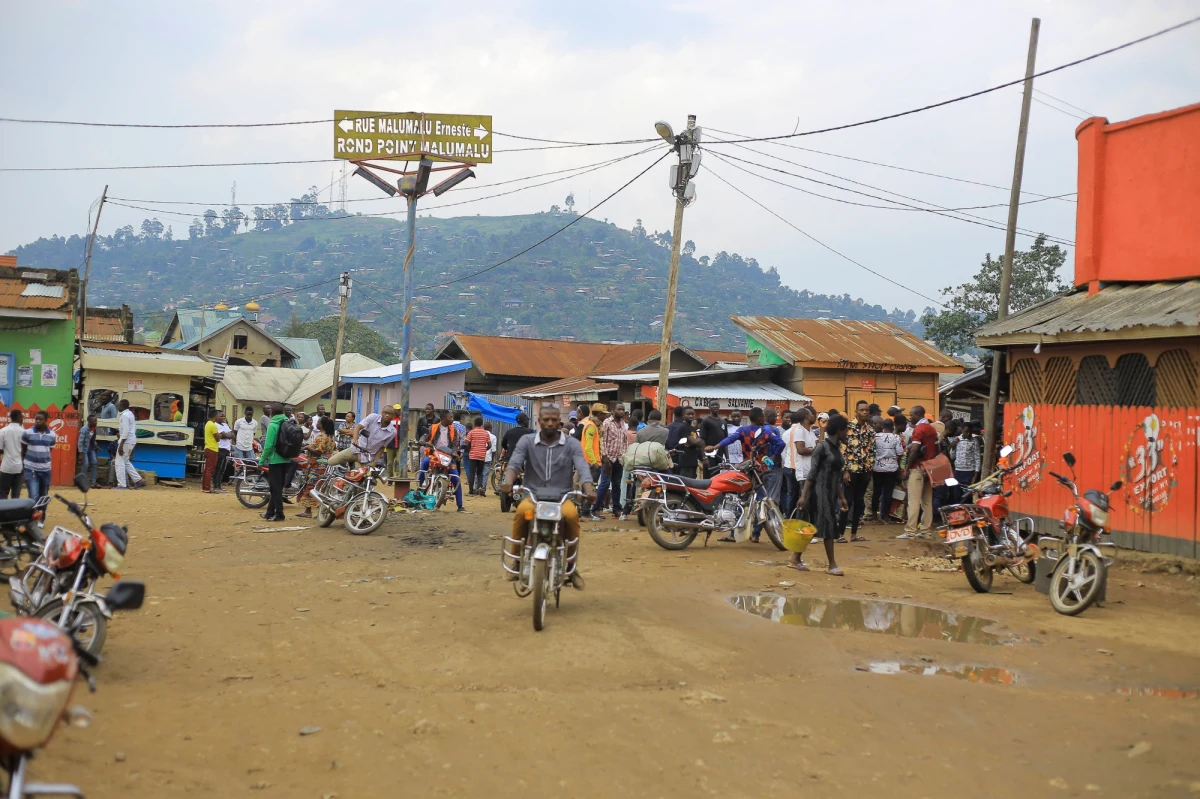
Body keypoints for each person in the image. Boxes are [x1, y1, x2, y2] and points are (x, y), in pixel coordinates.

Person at [499, 404, 595, 589]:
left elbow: (582, 467)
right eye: (545, 420)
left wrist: (588, 488)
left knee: (572, 516)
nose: (550, 423)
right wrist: (508, 482)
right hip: (533, 497)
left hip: (562, 498)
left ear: (559, 421)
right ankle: (517, 562)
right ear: (538, 422)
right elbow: (515, 463)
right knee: (521, 514)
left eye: (553, 419)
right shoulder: (526, 441)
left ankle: (570, 566)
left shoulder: (571, 444)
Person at [707, 407, 785, 544]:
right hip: (761, 470)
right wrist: (772, 458)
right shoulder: (766, 432)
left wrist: (715, 447)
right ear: (760, 418)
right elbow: (781, 444)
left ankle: (732, 532)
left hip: (746, 469)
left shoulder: (742, 431)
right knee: (761, 501)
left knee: (739, 499)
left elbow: (730, 439)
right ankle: (755, 534)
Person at [795, 414, 850, 575]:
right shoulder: (822, 447)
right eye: (845, 429)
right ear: (839, 430)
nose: (847, 433)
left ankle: (795, 558)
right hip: (819, 492)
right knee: (828, 525)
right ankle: (832, 565)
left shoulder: (836, 448)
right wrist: (803, 496)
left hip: (831, 492)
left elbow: (837, 474)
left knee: (811, 527)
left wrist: (841, 497)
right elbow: (811, 474)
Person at [837, 400, 876, 543]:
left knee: (860, 502)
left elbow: (872, 451)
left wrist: (870, 468)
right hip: (851, 471)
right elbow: (842, 451)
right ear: (856, 411)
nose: (865, 412)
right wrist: (845, 471)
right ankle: (840, 534)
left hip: (865, 471)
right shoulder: (847, 428)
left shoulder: (870, 430)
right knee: (847, 501)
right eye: (862, 410)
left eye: (867, 410)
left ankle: (854, 534)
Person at [900, 405, 938, 539]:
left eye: (912, 414)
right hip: (930, 469)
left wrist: (907, 469)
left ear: (919, 414)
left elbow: (915, 450)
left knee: (914, 501)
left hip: (917, 469)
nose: (910, 417)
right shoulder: (932, 429)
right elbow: (937, 448)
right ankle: (926, 531)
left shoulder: (919, 429)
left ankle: (910, 531)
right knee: (927, 502)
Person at [418, 410, 464, 512]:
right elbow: (424, 437)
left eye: (452, 417)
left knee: (455, 477)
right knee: (425, 463)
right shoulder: (433, 428)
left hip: (447, 456)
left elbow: (455, 445)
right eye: (450, 417)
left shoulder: (454, 431)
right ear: (443, 418)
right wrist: (423, 441)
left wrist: (455, 453)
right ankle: (419, 488)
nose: (452, 419)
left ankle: (460, 505)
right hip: (434, 454)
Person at [296, 417, 337, 519]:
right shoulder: (330, 437)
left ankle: (308, 511)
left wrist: (307, 447)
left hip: (318, 464)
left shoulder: (321, 437)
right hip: (327, 462)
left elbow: (318, 451)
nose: (316, 424)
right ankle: (319, 511)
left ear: (322, 425)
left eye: (318, 422)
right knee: (321, 486)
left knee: (311, 485)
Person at [329, 406, 396, 467]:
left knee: (368, 478)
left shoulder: (392, 432)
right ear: (382, 413)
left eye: (390, 414)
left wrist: (375, 462)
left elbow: (382, 448)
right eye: (385, 413)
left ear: (393, 416)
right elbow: (358, 426)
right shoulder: (373, 417)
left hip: (368, 457)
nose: (387, 415)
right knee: (331, 462)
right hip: (355, 450)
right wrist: (355, 439)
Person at [595, 402, 629, 520]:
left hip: (619, 460)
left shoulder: (623, 424)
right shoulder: (607, 423)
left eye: (623, 410)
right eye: (619, 409)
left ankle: (616, 509)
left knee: (617, 485)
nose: (621, 411)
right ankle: (596, 508)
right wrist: (605, 458)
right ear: (613, 410)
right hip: (608, 459)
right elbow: (602, 440)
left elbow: (624, 442)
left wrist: (624, 456)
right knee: (604, 484)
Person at [260, 403, 290, 522]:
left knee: (276, 489)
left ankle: (280, 514)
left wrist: (261, 461)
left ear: (272, 412)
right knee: (276, 487)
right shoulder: (287, 422)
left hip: (275, 460)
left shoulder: (273, 425)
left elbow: (268, 446)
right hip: (286, 458)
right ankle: (269, 513)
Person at [872, 417, 904, 524]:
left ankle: (874, 516)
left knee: (876, 492)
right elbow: (899, 454)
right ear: (893, 426)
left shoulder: (875, 436)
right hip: (891, 468)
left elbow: (871, 452)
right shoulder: (896, 437)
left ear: (882, 426)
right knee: (888, 492)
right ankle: (886, 516)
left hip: (877, 468)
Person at [21, 411, 56, 500]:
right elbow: (23, 449)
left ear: (46, 420)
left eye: (40, 419)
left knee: (43, 496)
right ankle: (31, 514)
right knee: (33, 496)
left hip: (46, 470)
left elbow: (49, 450)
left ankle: (42, 514)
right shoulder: (27, 433)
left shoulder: (52, 435)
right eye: (36, 419)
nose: (37, 421)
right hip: (31, 469)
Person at [790, 408, 818, 520]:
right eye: (812, 414)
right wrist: (815, 451)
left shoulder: (810, 431)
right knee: (804, 502)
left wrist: (822, 429)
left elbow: (819, 444)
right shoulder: (800, 431)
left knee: (812, 504)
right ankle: (800, 530)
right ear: (807, 416)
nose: (813, 416)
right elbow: (800, 450)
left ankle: (810, 530)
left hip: (811, 472)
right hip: (804, 473)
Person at [579, 404, 605, 519]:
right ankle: (585, 512)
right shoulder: (591, 427)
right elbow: (588, 447)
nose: (605, 417)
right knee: (590, 488)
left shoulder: (592, 425)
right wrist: (594, 463)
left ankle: (584, 511)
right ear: (599, 414)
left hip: (589, 462)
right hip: (591, 463)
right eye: (604, 415)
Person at [114, 400, 146, 490]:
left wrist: (121, 445)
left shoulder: (124, 415)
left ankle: (122, 485)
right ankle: (139, 480)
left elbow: (126, 431)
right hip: (131, 440)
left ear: (123, 406)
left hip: (126, 441)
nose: (118, 407)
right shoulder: (130, 414)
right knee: (125, 461)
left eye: (119, 405)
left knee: (119, 462)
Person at [666, 406, 704, 479]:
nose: (691, 416)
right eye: (688, 414)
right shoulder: (683, 427)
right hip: (684, 461)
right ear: (683, 415)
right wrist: (698, 441)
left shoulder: (692, 428)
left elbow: (697, 443)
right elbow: (694, 442)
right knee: (684, 483)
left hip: (692, 460)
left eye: (692, 414)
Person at [953, 421, 982, 503]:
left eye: (970, 432)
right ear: (962, 430)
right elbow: (952, 456)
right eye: (966, 432)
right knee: (957, 495)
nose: (969, 434)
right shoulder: (957, 440)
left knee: (968, 495)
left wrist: (976, 473)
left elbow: (977, 458)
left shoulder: (974, 441)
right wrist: (953, 446)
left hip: (970, 472)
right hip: (958, 471)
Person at [464, 417, 492, 497]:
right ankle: (480, 488)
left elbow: (467, 443)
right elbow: (489, 445)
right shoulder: (485, 433)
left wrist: (470, 450)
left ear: (475, 423)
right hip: (482, 456)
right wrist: (484, 450)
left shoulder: (471, 432)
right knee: (480, 473)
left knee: (472, 473)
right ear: (481, 424)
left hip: (473, 456)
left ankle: (471, 491)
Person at [0, 409, 24, 499]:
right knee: (16, 494)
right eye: (22, 417)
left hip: (6, 467)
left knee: (3, 492)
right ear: (19, 418)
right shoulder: (24, 432)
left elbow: (0, 450)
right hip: (19, 467)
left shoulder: (3, 431)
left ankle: (3, 512)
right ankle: (15, 512)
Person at [202, 408, 222, 493]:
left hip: (208, 447)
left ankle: (204, 487)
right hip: (212, 448)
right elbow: (217, 438)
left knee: (207, 469)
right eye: (218, 415)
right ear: (215, 416)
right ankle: (207, 488)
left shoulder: (208, 424)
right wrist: (221, 435)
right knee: (210, 469)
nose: (219, 417)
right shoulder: (213, 425)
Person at [77, 414, 99, 485]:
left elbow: (92, 439)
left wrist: (95, 445)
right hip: (84, 449)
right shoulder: (84, 429)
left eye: (96, 420)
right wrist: (80, 453)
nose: (96, 422)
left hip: (91, 448)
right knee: (85, 464)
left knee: (94, 462)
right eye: (94, 421)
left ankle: (93, 481)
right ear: (89, 422)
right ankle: (82, 482)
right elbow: (80, 441)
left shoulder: (94, 428)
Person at [215, 411, 234, 489]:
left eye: (224, 416)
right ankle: (216, 486)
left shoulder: (225, 425)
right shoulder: (215, 425)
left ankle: (219, 486)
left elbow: (232, 435)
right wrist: (227, 435)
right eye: (221, 416)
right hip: (220, 448)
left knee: (223, 469)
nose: (223, 418)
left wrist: (226, 435)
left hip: (227, 449)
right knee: (218, 469)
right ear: (216, 416)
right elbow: (225, 435)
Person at [383, 404, 403, 478]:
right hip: (390, 445)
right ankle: (390, 477)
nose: (398, 411)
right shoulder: (389, 420)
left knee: (398, 461)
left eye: (399, 410)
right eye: (397, 410)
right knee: (389, 463)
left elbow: (406, 431)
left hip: (399, 445)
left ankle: (398, 477)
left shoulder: (402, 420)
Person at [483, 422, 497, 496]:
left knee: (478, 474)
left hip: (478, 457)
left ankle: (476, 489)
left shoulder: (480, 435)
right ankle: (483, 490)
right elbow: (493, 450)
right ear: (490, 428)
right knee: (485, 475)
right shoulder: (493, 437)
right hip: (487, 458)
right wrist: (492, 459)